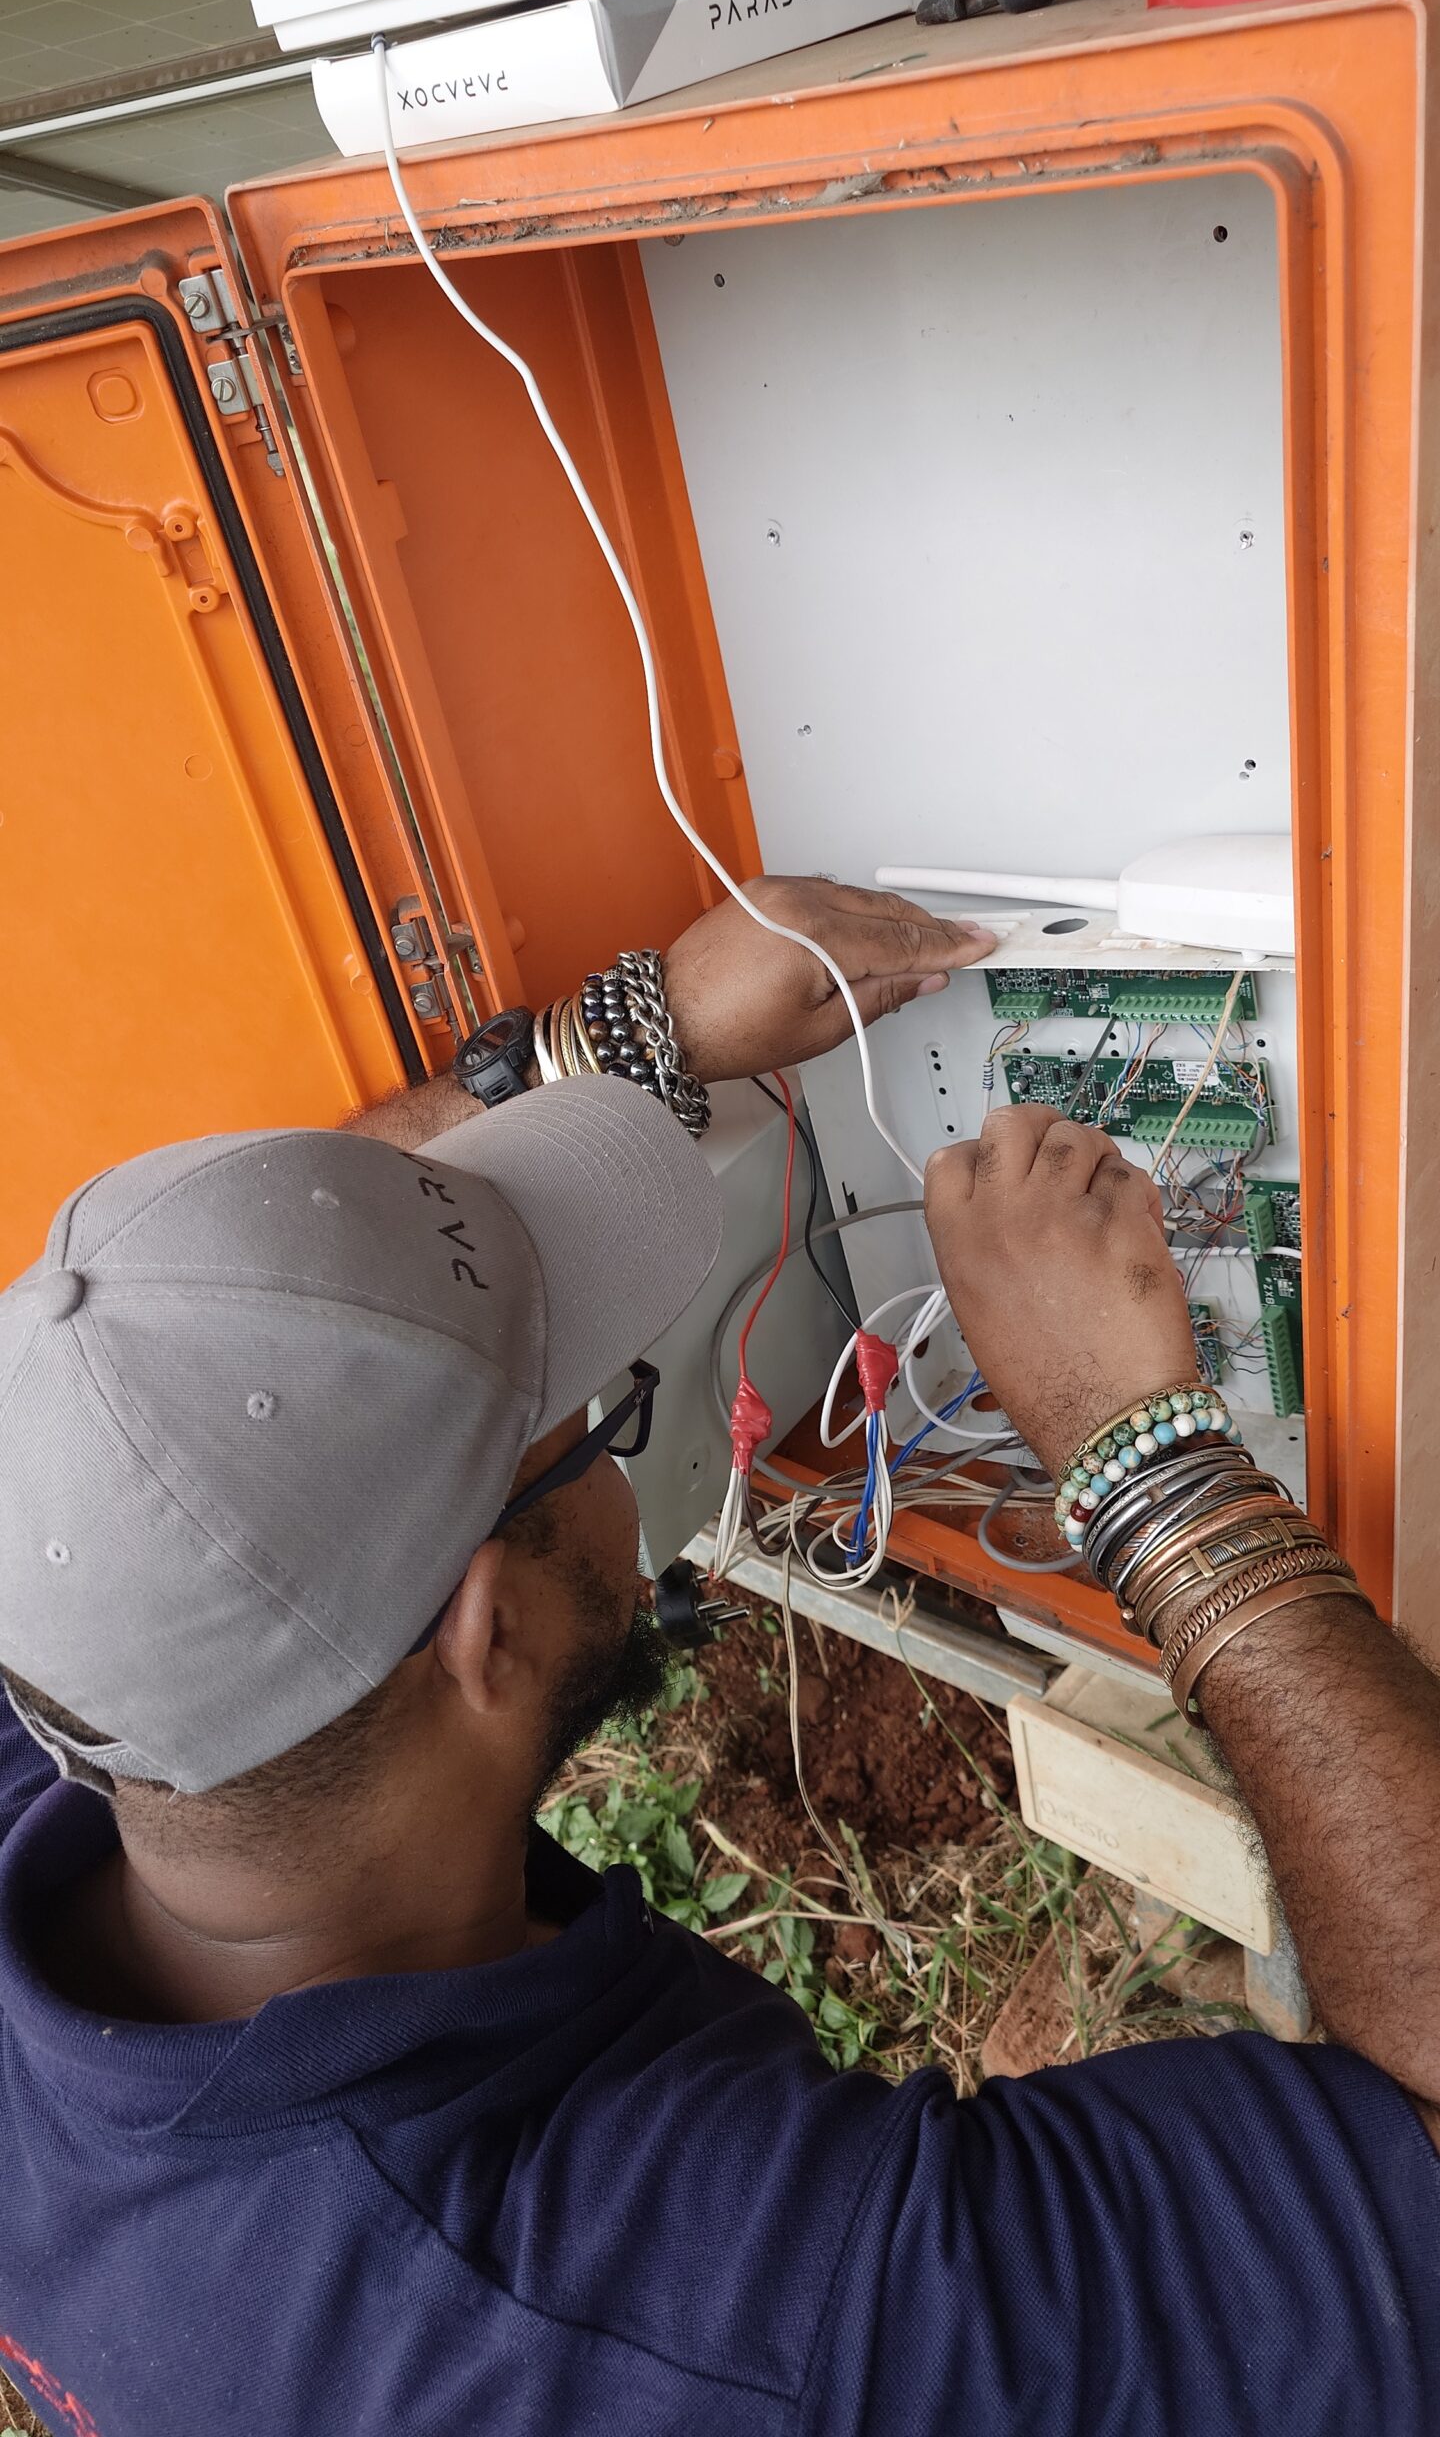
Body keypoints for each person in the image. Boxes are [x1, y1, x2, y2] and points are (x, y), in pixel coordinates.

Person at [0, 880, 1435, 2437]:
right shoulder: (710, 2324)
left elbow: (232, 1354)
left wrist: (635, 1033)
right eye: (599, 1416)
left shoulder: (79, 1628)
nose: (623, 1428)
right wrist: (1146, 1465)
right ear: (489, 1631)